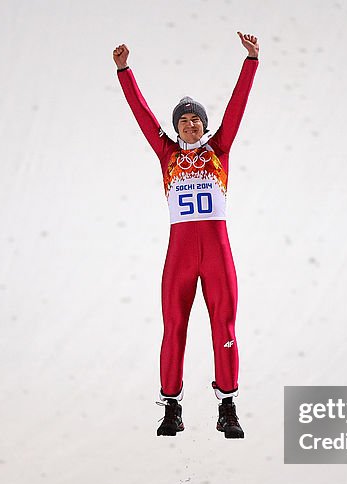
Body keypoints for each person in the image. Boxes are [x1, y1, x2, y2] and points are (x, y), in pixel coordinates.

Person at [113, 32, 259, 439]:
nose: (190, 124)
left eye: (196, 119)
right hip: (179, 253)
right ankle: (171, 407)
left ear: (205, 126)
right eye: (183, 120)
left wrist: (250, 62)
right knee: (174, 325)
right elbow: (142, 116)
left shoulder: (220, 149)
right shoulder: (168, 155)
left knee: (224, 327)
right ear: (176, 127)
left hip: (216, 251)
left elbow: (236, 108)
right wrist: (125, 72)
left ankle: (227, 405)